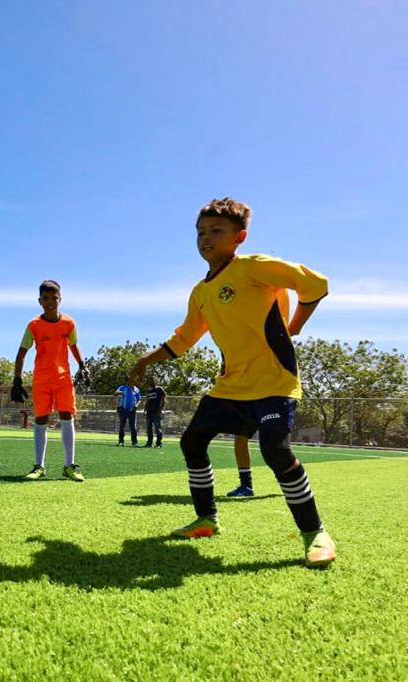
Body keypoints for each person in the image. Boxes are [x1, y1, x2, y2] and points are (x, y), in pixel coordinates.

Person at [130, 197, 336, 567]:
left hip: (274, 382)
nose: (205, 238)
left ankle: (315, 533)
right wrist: (146, 359)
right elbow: (184, 339)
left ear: (239, 237)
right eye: (200, 232)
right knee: (193, 441)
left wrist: (294, 326)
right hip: (230, 387)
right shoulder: (201, 292)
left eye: (216, 231)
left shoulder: (253, 267)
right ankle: (207, 519)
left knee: (275, 450)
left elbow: (315, 284)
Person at [10, 280, 88, 482]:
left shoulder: (69, 323)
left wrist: (82, 365)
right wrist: (17, 380)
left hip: (63, 378)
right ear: (40, 301)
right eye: (46, 298)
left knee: (67, 416)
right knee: (41, 418)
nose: (50, 302)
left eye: (54, 298)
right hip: (42, 379)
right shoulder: (34, 325)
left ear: (60, 299)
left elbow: (74, 345)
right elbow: (21, 353)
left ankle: (70, 466)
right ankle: (39, 466)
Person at [114, 379, 141, 446]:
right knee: (122, 426)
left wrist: (136, 405)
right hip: (123, 409)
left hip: (132, 410)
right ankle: (121, 441)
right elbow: (115, 393)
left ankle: (134, 442)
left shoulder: (136, 389)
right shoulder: (122, 387)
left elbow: (139, 399)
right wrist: (120, 392)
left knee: (133, 427)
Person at [143, 377, 166, 448]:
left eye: (152, 381)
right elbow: (147, 401)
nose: (151, 382)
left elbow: (164, 401)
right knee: (149, 429)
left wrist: (160, 410)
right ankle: (149, 443)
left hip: (156, 412)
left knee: (158, 428)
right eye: (150, 381)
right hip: (149, 412)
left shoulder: (159, 389)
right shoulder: (149, 390)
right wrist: (144, 410)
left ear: (155, 381)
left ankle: (159, 444)